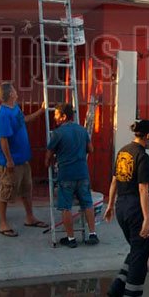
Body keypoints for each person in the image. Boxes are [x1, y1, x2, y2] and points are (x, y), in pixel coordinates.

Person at [104, 120, 149, 297]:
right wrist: (147, 219)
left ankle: (117, 289)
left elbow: (114, 181)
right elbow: (143, 189)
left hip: (121, 207)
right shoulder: (142, 157)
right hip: (136, 209)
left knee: (136, 250)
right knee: (140, 255)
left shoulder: (123, 152)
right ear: (148, 136)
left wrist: (110, 205)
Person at [0, 82, 47, 237]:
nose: (17, 92)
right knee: (5, 191)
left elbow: (24, 120)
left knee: (26, 189)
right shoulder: (4, 114)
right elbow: (3, 139)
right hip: (11, 161)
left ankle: (30, 217)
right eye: (14, 90)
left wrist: (41, 111)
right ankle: (3, 224)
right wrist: (9, 160)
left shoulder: (15, 108)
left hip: (23, 159)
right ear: (11, 94)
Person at [45, 103, 97, 248]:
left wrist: (48, 162)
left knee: (66, 206)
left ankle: (71, 238)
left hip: (66, 174)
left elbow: (48, 155)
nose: (54, 118)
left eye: (56, 115)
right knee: (87, 203)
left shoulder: (57, 133)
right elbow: (91, 149)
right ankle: (92, 234)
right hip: (82, 173)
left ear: (63, 116)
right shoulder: (82, 130)